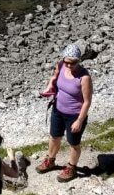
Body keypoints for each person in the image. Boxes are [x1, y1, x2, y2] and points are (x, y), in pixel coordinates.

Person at [35, 43, 93, 182]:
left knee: (73, 143)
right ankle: (51, 160)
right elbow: (54, 78)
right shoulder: (60, 65)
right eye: (66, 62)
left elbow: (87, 101)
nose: (68, 66)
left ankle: (71, 167)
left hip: (74, 115)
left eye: (72, 63)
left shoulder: (84, 78)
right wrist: (49, 88)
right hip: (58, 109)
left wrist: (79, 120)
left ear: (79, 61)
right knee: (54, 136)